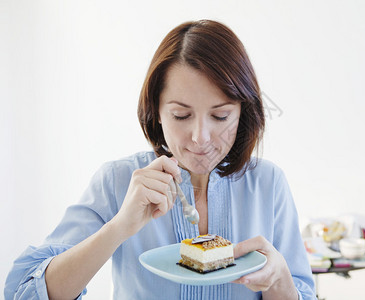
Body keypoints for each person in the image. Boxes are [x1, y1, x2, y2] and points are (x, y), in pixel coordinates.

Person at [5, 20, 316, 300]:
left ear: (243, 112)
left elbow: (300, 293)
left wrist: (279, 278)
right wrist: (119, 228)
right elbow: (24, 294)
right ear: (156, 111)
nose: (201, 138)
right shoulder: (118, 180)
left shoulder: (268, 184)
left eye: (220, 116)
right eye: (181, 115)